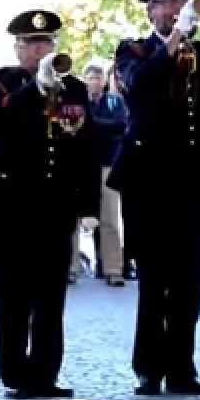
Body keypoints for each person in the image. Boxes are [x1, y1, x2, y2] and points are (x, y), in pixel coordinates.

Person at [110, 0, 200, 397]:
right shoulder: (133, 51)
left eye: (181, 0)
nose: (177, 8)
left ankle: (182, 366)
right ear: (151, 11)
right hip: (148, 180)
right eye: (167, 2)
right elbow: (139, 88)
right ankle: (148, 366)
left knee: (187, 279)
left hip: (193, 180)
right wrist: (171, 44)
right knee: (152, 276)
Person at [0, 10, 99, 399]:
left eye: (46, 42)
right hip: (13, 203)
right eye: (31, 44)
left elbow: (85, 147)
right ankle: (15, 373)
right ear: (17, 48)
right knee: (13, 294)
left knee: (51, 294)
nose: (40, 49)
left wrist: (89, 207)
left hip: (56, 203)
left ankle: (46, 373)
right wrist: (34, 89)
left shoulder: (75, 88)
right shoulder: (0, 84)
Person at [69, 61, 127, 287]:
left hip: (106, 164)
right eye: (90, 77)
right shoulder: (75, 100)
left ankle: (113, 268)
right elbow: (72, 127)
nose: (94, 81)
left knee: (110, 218)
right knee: (71, 218)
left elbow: (120, 125)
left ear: (104, 81)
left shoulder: (115, 101)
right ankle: (70, 266)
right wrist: (96, 127)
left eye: (98, 77)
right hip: (79, 165)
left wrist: (91, 125)